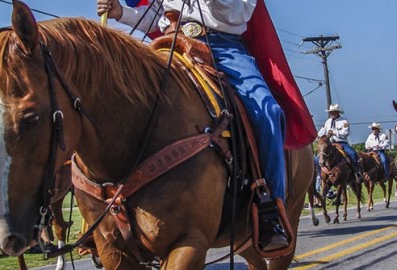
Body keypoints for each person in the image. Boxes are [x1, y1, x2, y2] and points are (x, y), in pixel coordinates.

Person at [97, 0, 289, 251]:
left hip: (221, 47)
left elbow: (238, 12)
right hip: (168, 46)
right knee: (115, 95)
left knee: (268, 111)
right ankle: (104, 209)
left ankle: (270, 209)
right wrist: (121, 13)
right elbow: (158, 18)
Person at [316, 104, 360, 177]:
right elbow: (321, 132)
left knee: (352, 154)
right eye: (330, 112)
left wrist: (334, 133)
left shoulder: (344, 121)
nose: (332, 114)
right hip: (329, 144)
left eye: (333, 112)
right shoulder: (327, 122)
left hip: (342, 143)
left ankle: (356, 172)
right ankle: (319, 175)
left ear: (337, 112)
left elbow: (346, 133)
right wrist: (318, 136)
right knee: (317, 159)